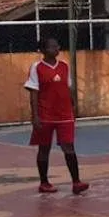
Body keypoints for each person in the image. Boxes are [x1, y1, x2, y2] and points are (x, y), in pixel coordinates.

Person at [25, 37, 90, 196]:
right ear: (43, 50)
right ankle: (44, 182)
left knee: (69, 146)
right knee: (44, 148)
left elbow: (68, 87)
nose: (57, 48)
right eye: (53, 46)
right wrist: (35, 116)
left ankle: (76, 182)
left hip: (64, 114)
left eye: (57, 45)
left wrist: (73, 106)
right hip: (45, 114)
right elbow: (34, 93)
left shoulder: (64, 66)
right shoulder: (37, 67)